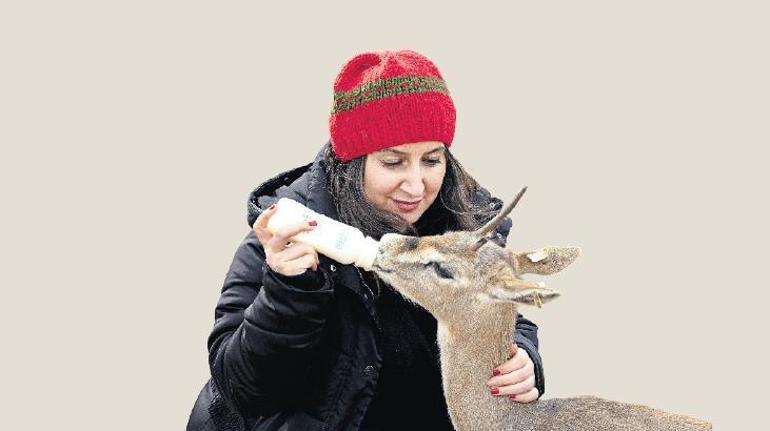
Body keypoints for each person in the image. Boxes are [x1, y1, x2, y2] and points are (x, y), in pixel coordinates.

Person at [187, 49, 545, 431]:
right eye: (392, 162)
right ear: (352, 162)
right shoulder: (286, 238)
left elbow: (503, 314)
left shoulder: (464, 228)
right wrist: (289, 291)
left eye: (432, 160)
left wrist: (524, 358)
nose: (415, 185)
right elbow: (244, 389)